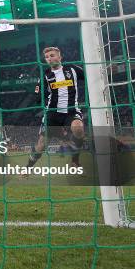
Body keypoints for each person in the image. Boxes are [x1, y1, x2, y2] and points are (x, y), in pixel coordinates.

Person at [24, 46, 85, 174]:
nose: (49, 59)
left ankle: (75, 160)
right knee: (41, 145)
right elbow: (39, 94)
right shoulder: (46, 75)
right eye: (47, 57)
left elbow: (87, 76)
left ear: (59, 57)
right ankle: (27, 169)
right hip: (53, 113)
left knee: (78, 128)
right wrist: (38, 95)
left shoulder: (72, 69)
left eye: (52, 55)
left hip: (71, 110)